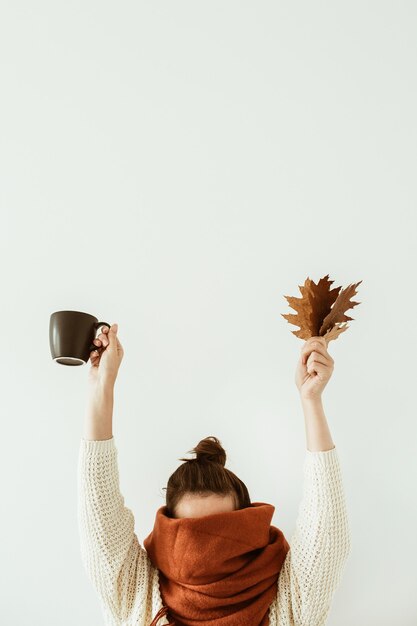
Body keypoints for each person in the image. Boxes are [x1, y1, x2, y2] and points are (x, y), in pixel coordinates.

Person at [78, 323, 351, 626]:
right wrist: (101, 386)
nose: (206, 559)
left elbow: (325, 535)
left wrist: (311, 400)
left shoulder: (288, 603)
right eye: (191, 541)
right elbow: (100, 522)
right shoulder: (138, 597)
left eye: (224, 541)